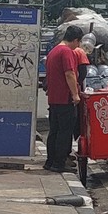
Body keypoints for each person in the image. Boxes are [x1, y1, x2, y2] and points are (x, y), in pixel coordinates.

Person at [43, 25, 85, 173]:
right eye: (78, 42)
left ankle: (50, 161)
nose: (78, 46)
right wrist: (75, 94)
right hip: (64, 98)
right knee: (64, 132)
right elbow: (70, 74)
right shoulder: (67, 52)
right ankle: (59, 163)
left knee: (54, 131)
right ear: (74, 40)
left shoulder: (53, 51)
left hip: (54, 98)